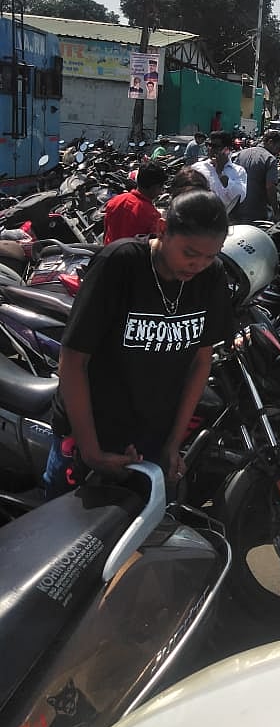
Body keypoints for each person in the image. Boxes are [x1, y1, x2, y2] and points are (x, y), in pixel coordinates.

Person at [43, 190, 234, 499]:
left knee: (137, 540)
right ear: (161, 229)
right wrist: (91, 451)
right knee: (72, 540)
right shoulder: (120, 263)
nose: (198, 264)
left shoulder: (211, 276)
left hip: (152, 438)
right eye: (189, 253)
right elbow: (74, 357)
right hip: (89, 434)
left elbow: (201, 360)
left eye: (209, 255)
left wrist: (173, 444)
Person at [103, 162, 165, 244]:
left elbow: (106, 232)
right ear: (155, 187)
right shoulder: (152, 215)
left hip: (108, 253)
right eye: (161, 187)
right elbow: (154, 247)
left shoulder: (115, 200)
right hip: (131, 256)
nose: (161, 191)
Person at [233, 129, 280, 223]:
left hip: (236, 207)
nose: (278, 152)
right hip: (255, 210)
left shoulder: (242, 153)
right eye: (278, 148)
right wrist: (276, 211)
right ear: (270, 142)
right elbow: (270, 187)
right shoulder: (270, 159)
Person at [192, 130, 247, 214]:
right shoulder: (198, 167)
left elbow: (240, 197)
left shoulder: (238, 171)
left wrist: (220, 173)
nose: (211, 149)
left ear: (227, 149)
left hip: (224, 218)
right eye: (209, 145)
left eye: (215, 146)